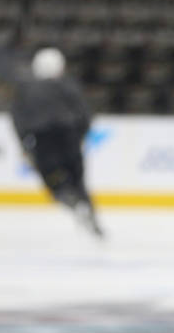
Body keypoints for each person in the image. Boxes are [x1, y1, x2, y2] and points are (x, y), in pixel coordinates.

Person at [10, 47, 104, 238]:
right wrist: (80, 135)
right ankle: (86, 210)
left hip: (43, 140)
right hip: (68, 136)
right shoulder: (66, 85)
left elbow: (18, 118)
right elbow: (84, 112)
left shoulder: (26, 89)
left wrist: (25, 143)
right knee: (77, 180)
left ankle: (71, 202)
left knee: (53, 178)